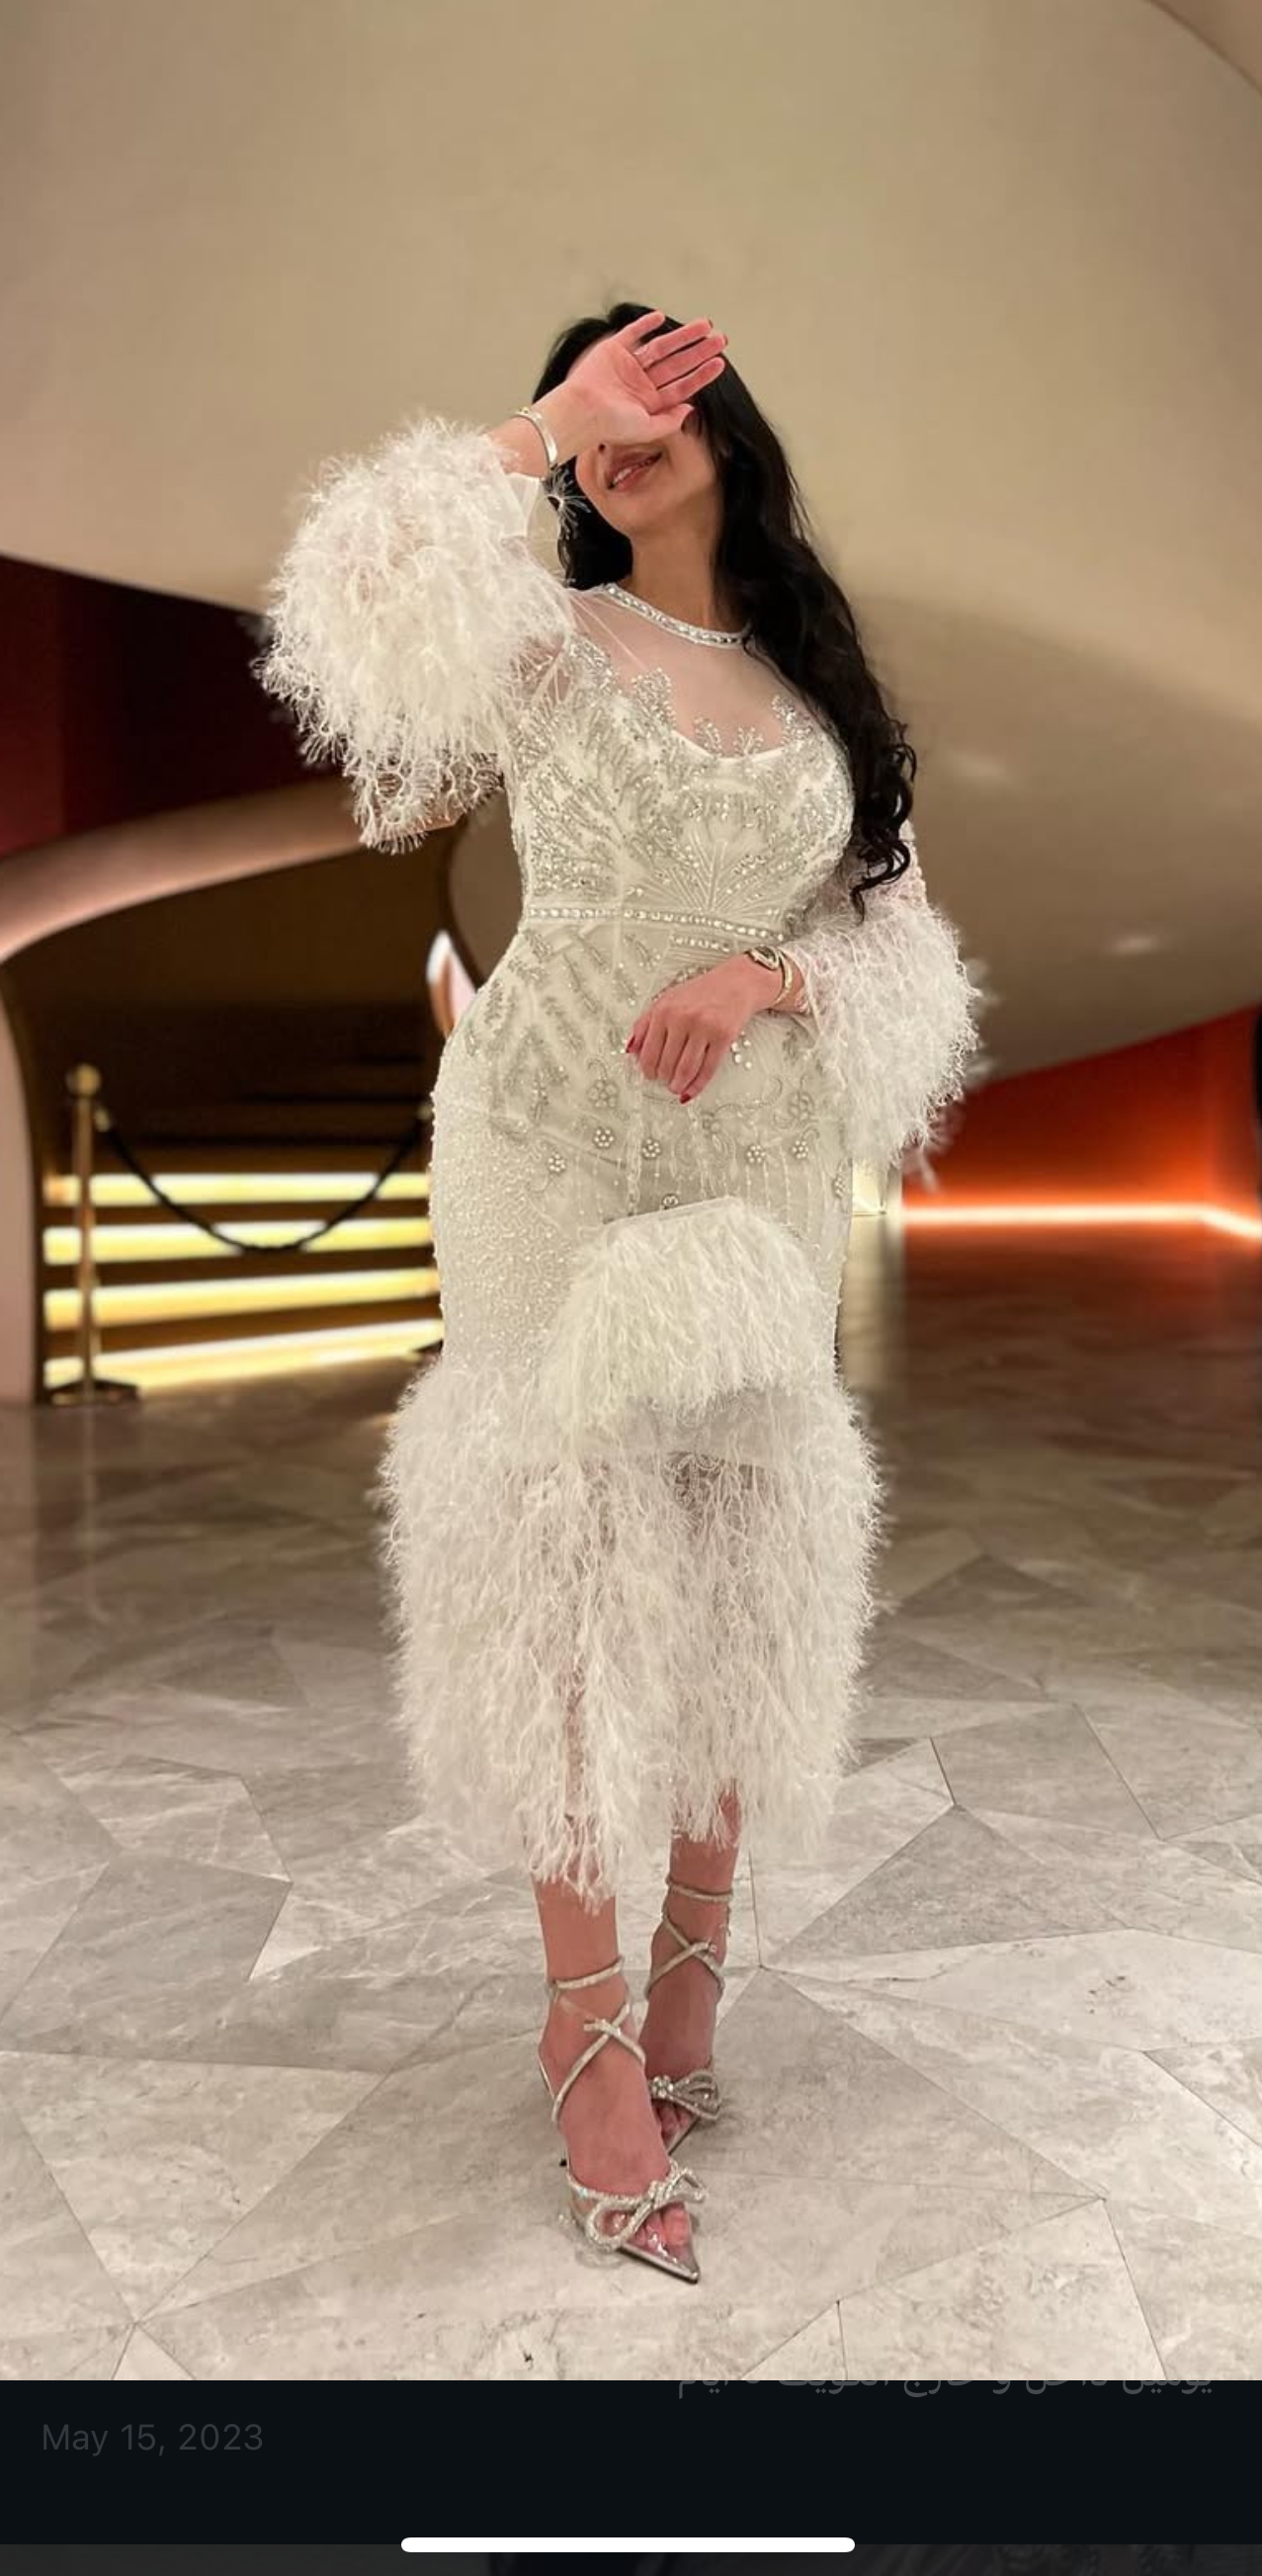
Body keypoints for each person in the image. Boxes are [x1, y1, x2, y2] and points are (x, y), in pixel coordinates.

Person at [255, 304, 983, 2285]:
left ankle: (687, 1985)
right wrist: (529, 429)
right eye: (597, 413)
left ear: (726, 415)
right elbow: (348, 593)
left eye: (652, 390)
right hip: (549, 1136)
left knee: (746, 1538)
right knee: (565, 1559)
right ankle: (584, 2043)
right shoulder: (543, 640)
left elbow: (911, 962)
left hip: (752, 1159)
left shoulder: (827, 690)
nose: (619, 432)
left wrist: (772, 977)